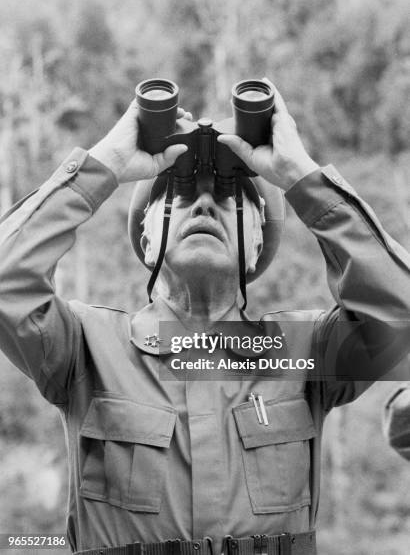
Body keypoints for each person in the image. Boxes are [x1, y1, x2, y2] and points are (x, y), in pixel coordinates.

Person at [0, 80, 409, 555]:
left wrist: (302, 177)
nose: (204, 201)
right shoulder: (85, 348)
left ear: (255, 245)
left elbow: (398, 312)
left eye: (232, 196)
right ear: (147, 240)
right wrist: (104, 165)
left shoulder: (303, 353)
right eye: (180, 192)